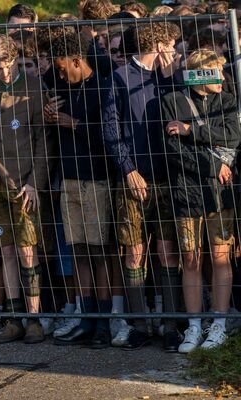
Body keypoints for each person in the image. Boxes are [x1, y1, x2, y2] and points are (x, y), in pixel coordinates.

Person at [106, 22, 182, 350]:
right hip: (134, 179)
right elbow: (111, 128)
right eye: (171, 45)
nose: (175, 52)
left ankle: (171, 324)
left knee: (166, 250)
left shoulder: (168, 78)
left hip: (165, 177)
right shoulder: (120, 77)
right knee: (134, 251)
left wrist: (169, 78)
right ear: (159, 44)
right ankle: (138, 323)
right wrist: (128, 170)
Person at [162, 49, 240, 353]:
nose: (222, 77)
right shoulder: (171, 102)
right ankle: (194, 326)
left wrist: (191, 130)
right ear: (199, 75)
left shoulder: (227, 99)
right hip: (186, 191)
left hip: (220, 195)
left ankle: (218, 323)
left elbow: (233, 136)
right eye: (216, 71)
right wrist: (211, 165)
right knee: (191, 260)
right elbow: (173, 149)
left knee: (221, 256)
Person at [44, 32, 118, 348]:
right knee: (78, 251)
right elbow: (47, 76)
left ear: (77, 60)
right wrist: (48, 109)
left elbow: (107, 135)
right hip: (69, 180)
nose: (59, 75)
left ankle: (103, 322)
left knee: (98, 251)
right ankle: (86, 319)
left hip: (96, 180)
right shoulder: (60, 86)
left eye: (63, 68)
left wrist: (71, 123)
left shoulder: (101, 86)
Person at [0, 34, 52, 344]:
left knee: (26, 250)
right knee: (5, 249)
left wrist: (35, 182)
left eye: (8, 65)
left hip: (24, 182)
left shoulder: (34, 88)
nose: (4, 72)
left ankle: (34, 318)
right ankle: (13, 316)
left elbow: (43, 141)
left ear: (16, 59)